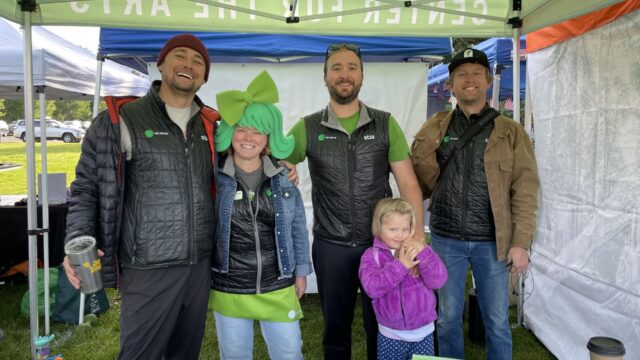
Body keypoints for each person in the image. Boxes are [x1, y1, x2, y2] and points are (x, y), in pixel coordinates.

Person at [63, 34, 220, 359]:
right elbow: (86, 187)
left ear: (204, 76)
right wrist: (79, 239)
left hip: (200, 265)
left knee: (185, 354)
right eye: (180, 56)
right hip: (148, 267)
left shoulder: (212, 125)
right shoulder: (119, 119)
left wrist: (283, 166)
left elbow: (243, 165)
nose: (188, 65)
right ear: (160, 64)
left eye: (198, 61)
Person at [286, 43, 425, 360]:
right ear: (325, 77)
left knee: (383, 325)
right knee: (335, 330)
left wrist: (416, 237)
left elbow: (408, 183)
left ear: (362, 75)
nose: (344, 74)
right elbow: (276, 161)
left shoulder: (385, 124)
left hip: (381, 245)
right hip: (331, 245)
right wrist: (285, 167)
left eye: (351, 67)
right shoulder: (307, 127)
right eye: (336, 67)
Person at [411, 48, 540, 359]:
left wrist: (521, 242)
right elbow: (415, 172)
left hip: (492, 242)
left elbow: (525, 188)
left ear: (486, 81)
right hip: (445, 239)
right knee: (447, 318)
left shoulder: (511, 131)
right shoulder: (435, 127)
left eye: (476, 73)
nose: (469, 79)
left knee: (497, 321)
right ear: (451, 85)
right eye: (461, 75)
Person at [210, 70, 312, 360]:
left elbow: (297, 228)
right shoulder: (213, 177)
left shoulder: (283, 177)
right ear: (230, 134)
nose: (248, 137)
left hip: (278, 282)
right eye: (241, 128)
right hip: (229, 285)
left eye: (257, 131)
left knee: (290, 354)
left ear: (268, 138)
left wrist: (301, 271)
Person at [359, 198, 447, 360]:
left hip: (424, 333)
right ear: (379, 227)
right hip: (391, 334)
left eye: (405, 229)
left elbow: (439, 280)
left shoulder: (420, 251)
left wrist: (425, 253)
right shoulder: (372, 256)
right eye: (393, 229)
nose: (400, 235)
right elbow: (372, 288)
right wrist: (401, 266)